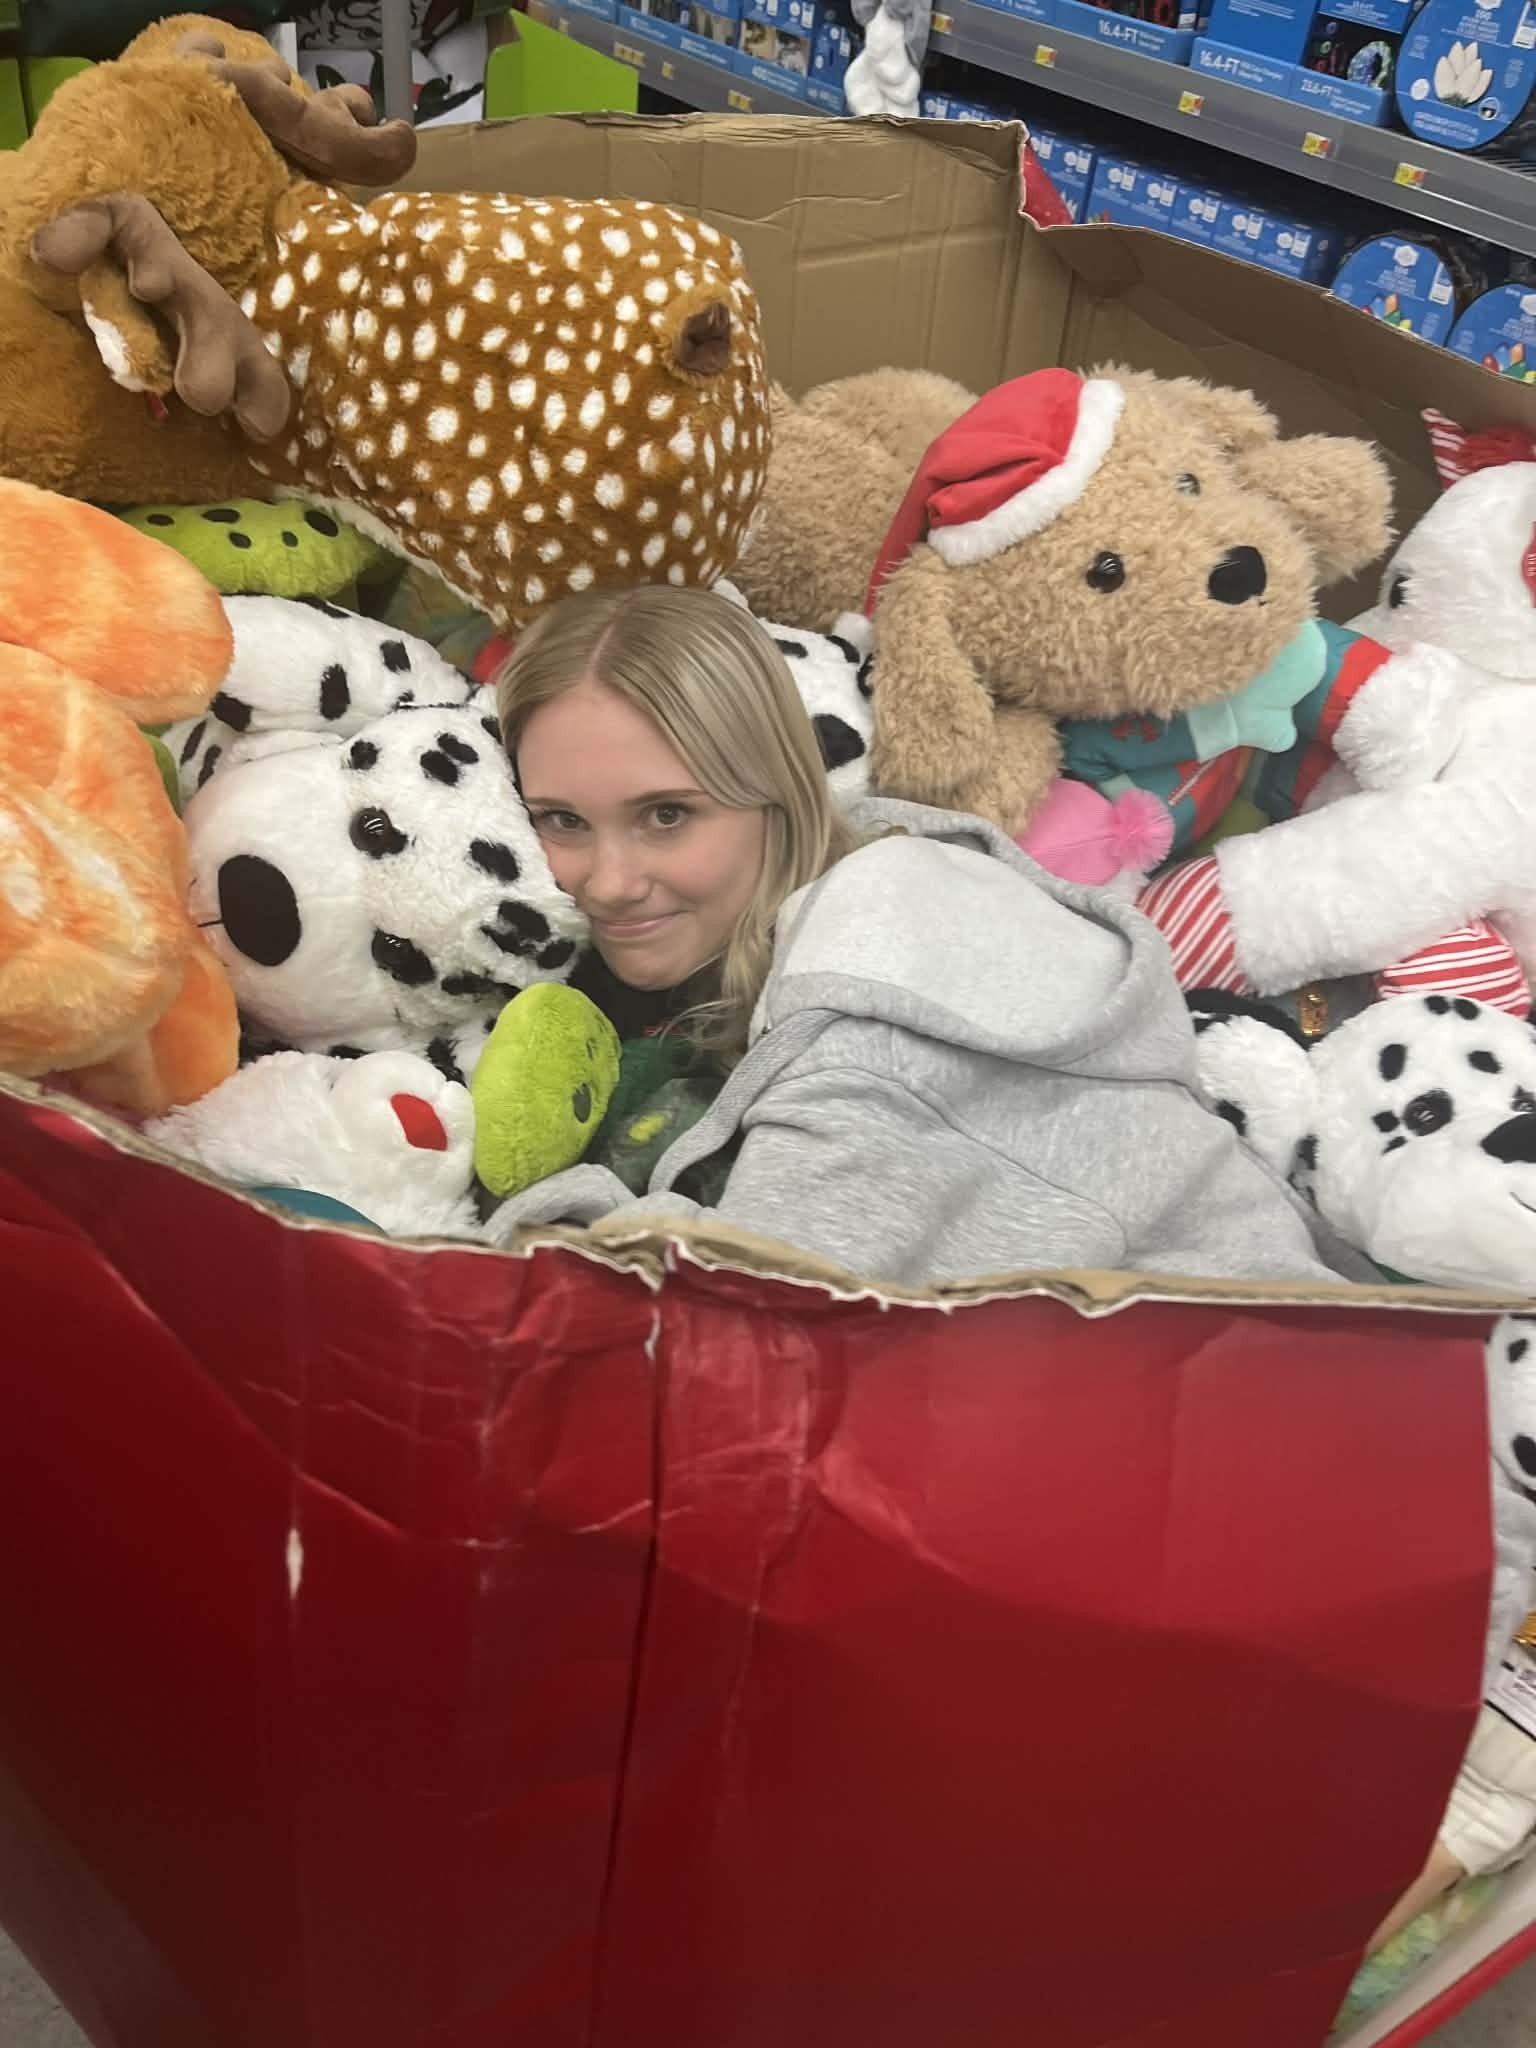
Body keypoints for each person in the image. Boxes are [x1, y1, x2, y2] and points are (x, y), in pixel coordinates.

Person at [489, 583, 1351, 1289]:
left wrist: (547, 1217)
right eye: (561, 820)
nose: (608, 882)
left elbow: (743, 1334)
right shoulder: (868, 866)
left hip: (1284, 1402)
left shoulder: (873, 1003)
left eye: (667, 816)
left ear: (776, 792)